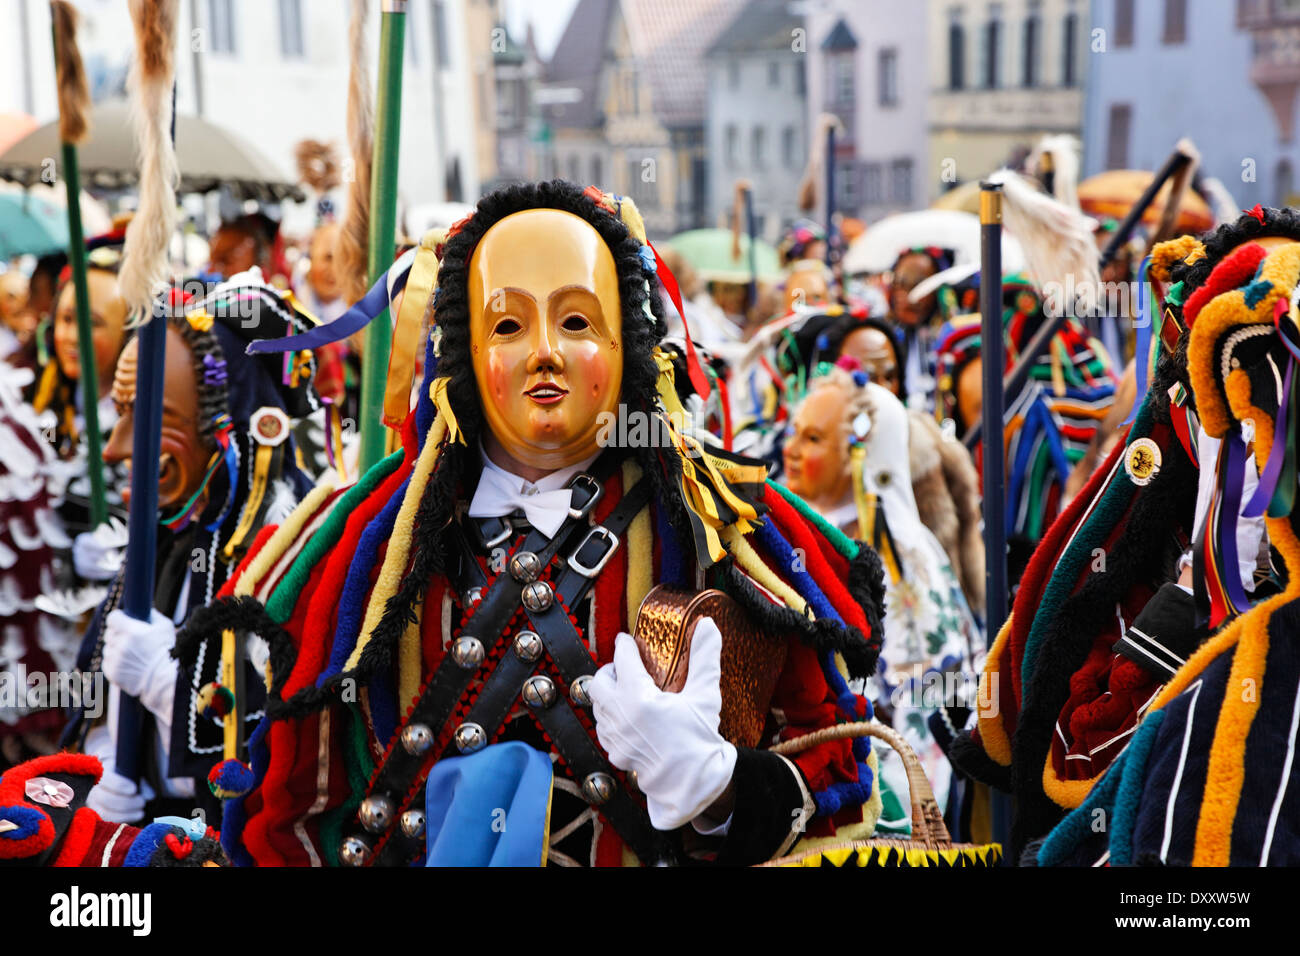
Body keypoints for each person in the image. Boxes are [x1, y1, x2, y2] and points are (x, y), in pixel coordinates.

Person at [181, 180, 889, 867]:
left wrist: (722, 790)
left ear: (626, 345)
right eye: (509, 324)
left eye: (577, 321)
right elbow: (289, 817)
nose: (545, 350)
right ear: (464, 349)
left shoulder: (729, 528)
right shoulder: (354, 550)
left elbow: (842, 794)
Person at [62, 277, 324, 830]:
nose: (116, 448)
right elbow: (97, 685)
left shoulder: (295, 548)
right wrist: (105, 757)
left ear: (225, 430)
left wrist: (165, 681)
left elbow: (295, 741)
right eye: (122, 411)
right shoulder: (163, 530)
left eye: (153, 419)